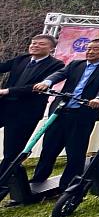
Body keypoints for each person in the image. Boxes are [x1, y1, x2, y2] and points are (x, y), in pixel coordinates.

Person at [30, 38, 99, 188]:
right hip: (60, 112)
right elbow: (59, 74)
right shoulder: (76, 64)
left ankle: (68, 185)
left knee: (75, 153)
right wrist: (47, 82)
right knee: (49, 149)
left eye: (95, 49)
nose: (90, 51)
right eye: (88, 48)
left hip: (82, 115)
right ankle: (38, 180)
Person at [0, 35, 65, 188]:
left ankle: (4, 181)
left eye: (40, 44)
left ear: (51, 48)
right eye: (33, 43)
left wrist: (7, 91)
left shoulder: (56, 65)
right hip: (5, 106)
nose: (34, 46)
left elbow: (37, 87)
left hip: (26, 112)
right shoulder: (22, 59)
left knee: (12, 150)